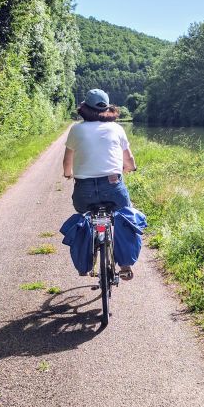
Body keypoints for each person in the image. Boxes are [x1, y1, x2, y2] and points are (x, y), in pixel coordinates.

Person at [63, 88, 137, 279]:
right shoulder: (117, 129)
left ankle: (84, 264)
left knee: (86, 218)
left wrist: (67, 174)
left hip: (84, 192)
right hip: (113, 187)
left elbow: (67, 162)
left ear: (85, 108)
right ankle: (125, 265)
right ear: (107, 108)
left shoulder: (76, 129)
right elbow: (129, 160)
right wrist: (129, 169)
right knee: (126, 216)